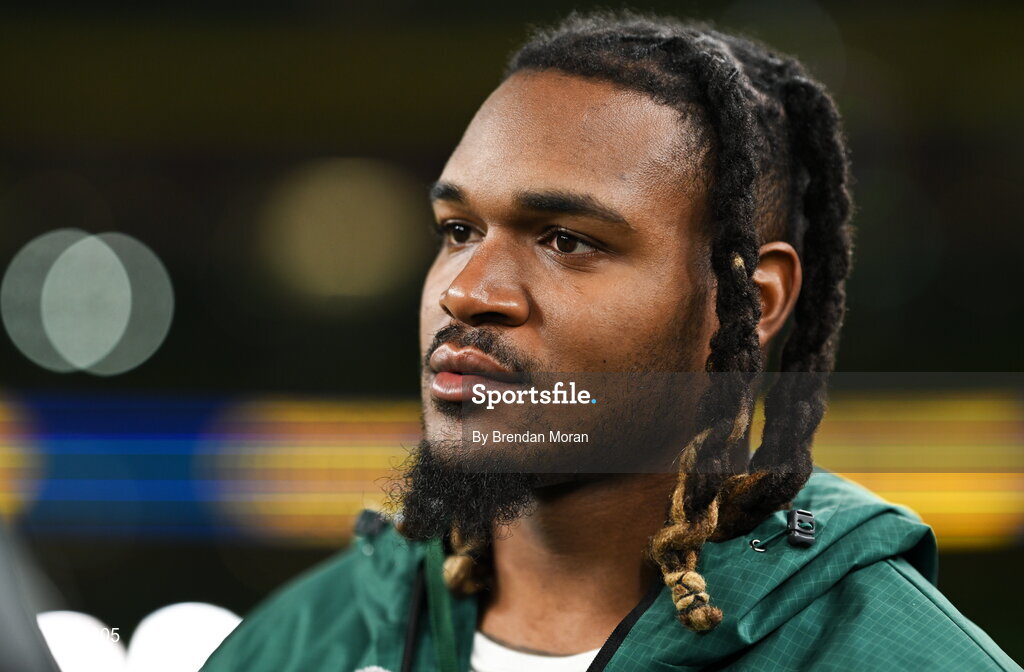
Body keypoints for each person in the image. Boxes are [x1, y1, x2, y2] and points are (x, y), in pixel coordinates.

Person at [202, 10, 1020, 671]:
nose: (467, 291)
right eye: (457, 229)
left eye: (566, 240)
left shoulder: (896, 656)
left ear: (748, 299)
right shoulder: (300, 644)